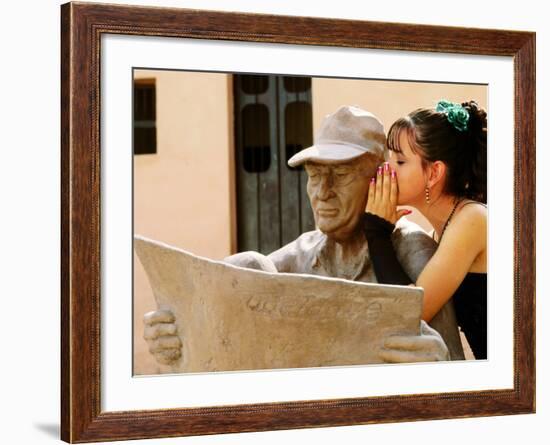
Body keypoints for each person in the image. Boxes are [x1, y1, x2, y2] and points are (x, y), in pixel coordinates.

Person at [144, 105, 459, 367]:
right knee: (248, 264)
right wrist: (180, 331)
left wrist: (438, 364)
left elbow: (456, 372)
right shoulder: (298, 255)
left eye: (341, 174)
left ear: (380, 180)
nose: (323, 192)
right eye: (315, 175)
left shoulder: (414, 251)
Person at [363, 100, 487, 359]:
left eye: (399, 161)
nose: (386, 170)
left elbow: (411, 315)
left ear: (434, 173)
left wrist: (376, 232)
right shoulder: (439, 234)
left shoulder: (472, 220)